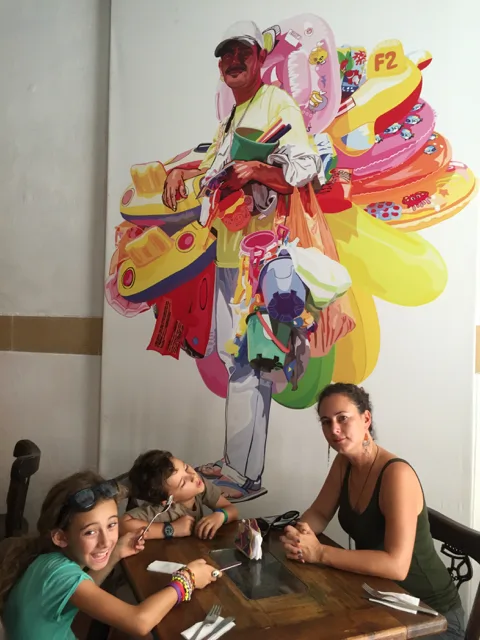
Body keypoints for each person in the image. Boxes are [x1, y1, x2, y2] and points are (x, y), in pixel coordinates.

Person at [162, 20, 323, 502]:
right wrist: (181, 171)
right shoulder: (234, 116)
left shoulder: (276, 103)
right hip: (230, 253)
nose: (233, 61)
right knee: (237, 358)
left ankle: (245, 475)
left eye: (242, 53)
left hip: (261, 258)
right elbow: (215, 164)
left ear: (259, 59)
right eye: (226, 55)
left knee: (253, 360)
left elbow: (304, 167)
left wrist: (259, 168)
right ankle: (235, 463)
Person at [280, 383, 465, 639]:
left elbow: (397, 566)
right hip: (381, 598)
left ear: (366, 419)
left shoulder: (396, 475)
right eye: (326, 422)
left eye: (342, 418)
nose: (334, 429)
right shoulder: (344, 463)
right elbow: (320, 514)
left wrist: (320, 552)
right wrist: (298, 536)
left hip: (431, 615)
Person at [0, 471, 221, 639]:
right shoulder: (58, 575)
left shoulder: (48, 561)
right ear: (60, 537)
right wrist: (188, 579)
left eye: (112, 524)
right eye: (90, 532)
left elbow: (83, 587)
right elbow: (139, 622)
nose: (106, 541)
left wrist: (116, 553)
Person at [120, 450, 239, 540]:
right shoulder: (162, 510)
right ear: (168, 500)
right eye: (183, 483)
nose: (192, 476)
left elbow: (231, 509)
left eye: (186, 467)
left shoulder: (199, 484)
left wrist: (221, 516)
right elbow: (122, 525)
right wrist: (171, 529)